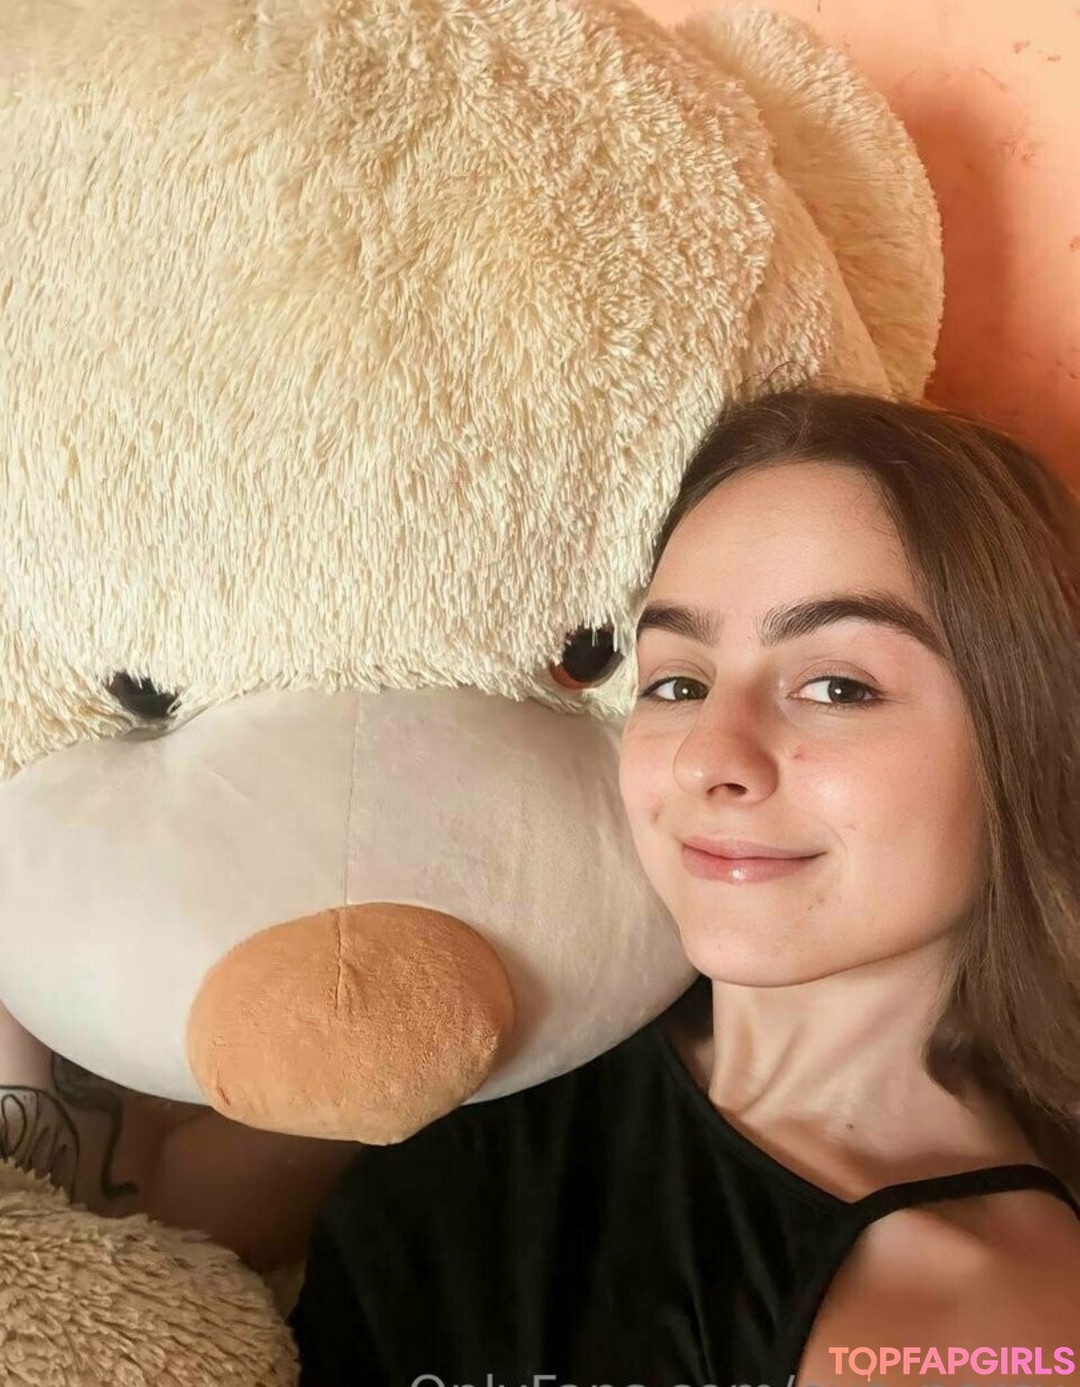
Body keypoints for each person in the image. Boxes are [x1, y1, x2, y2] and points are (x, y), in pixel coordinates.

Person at [288, 389, 1080, 1386]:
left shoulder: (987, 1320)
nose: (710, 754)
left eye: (837, 686)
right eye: (679, 683)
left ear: (1028, 738)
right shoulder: (506, 1028)